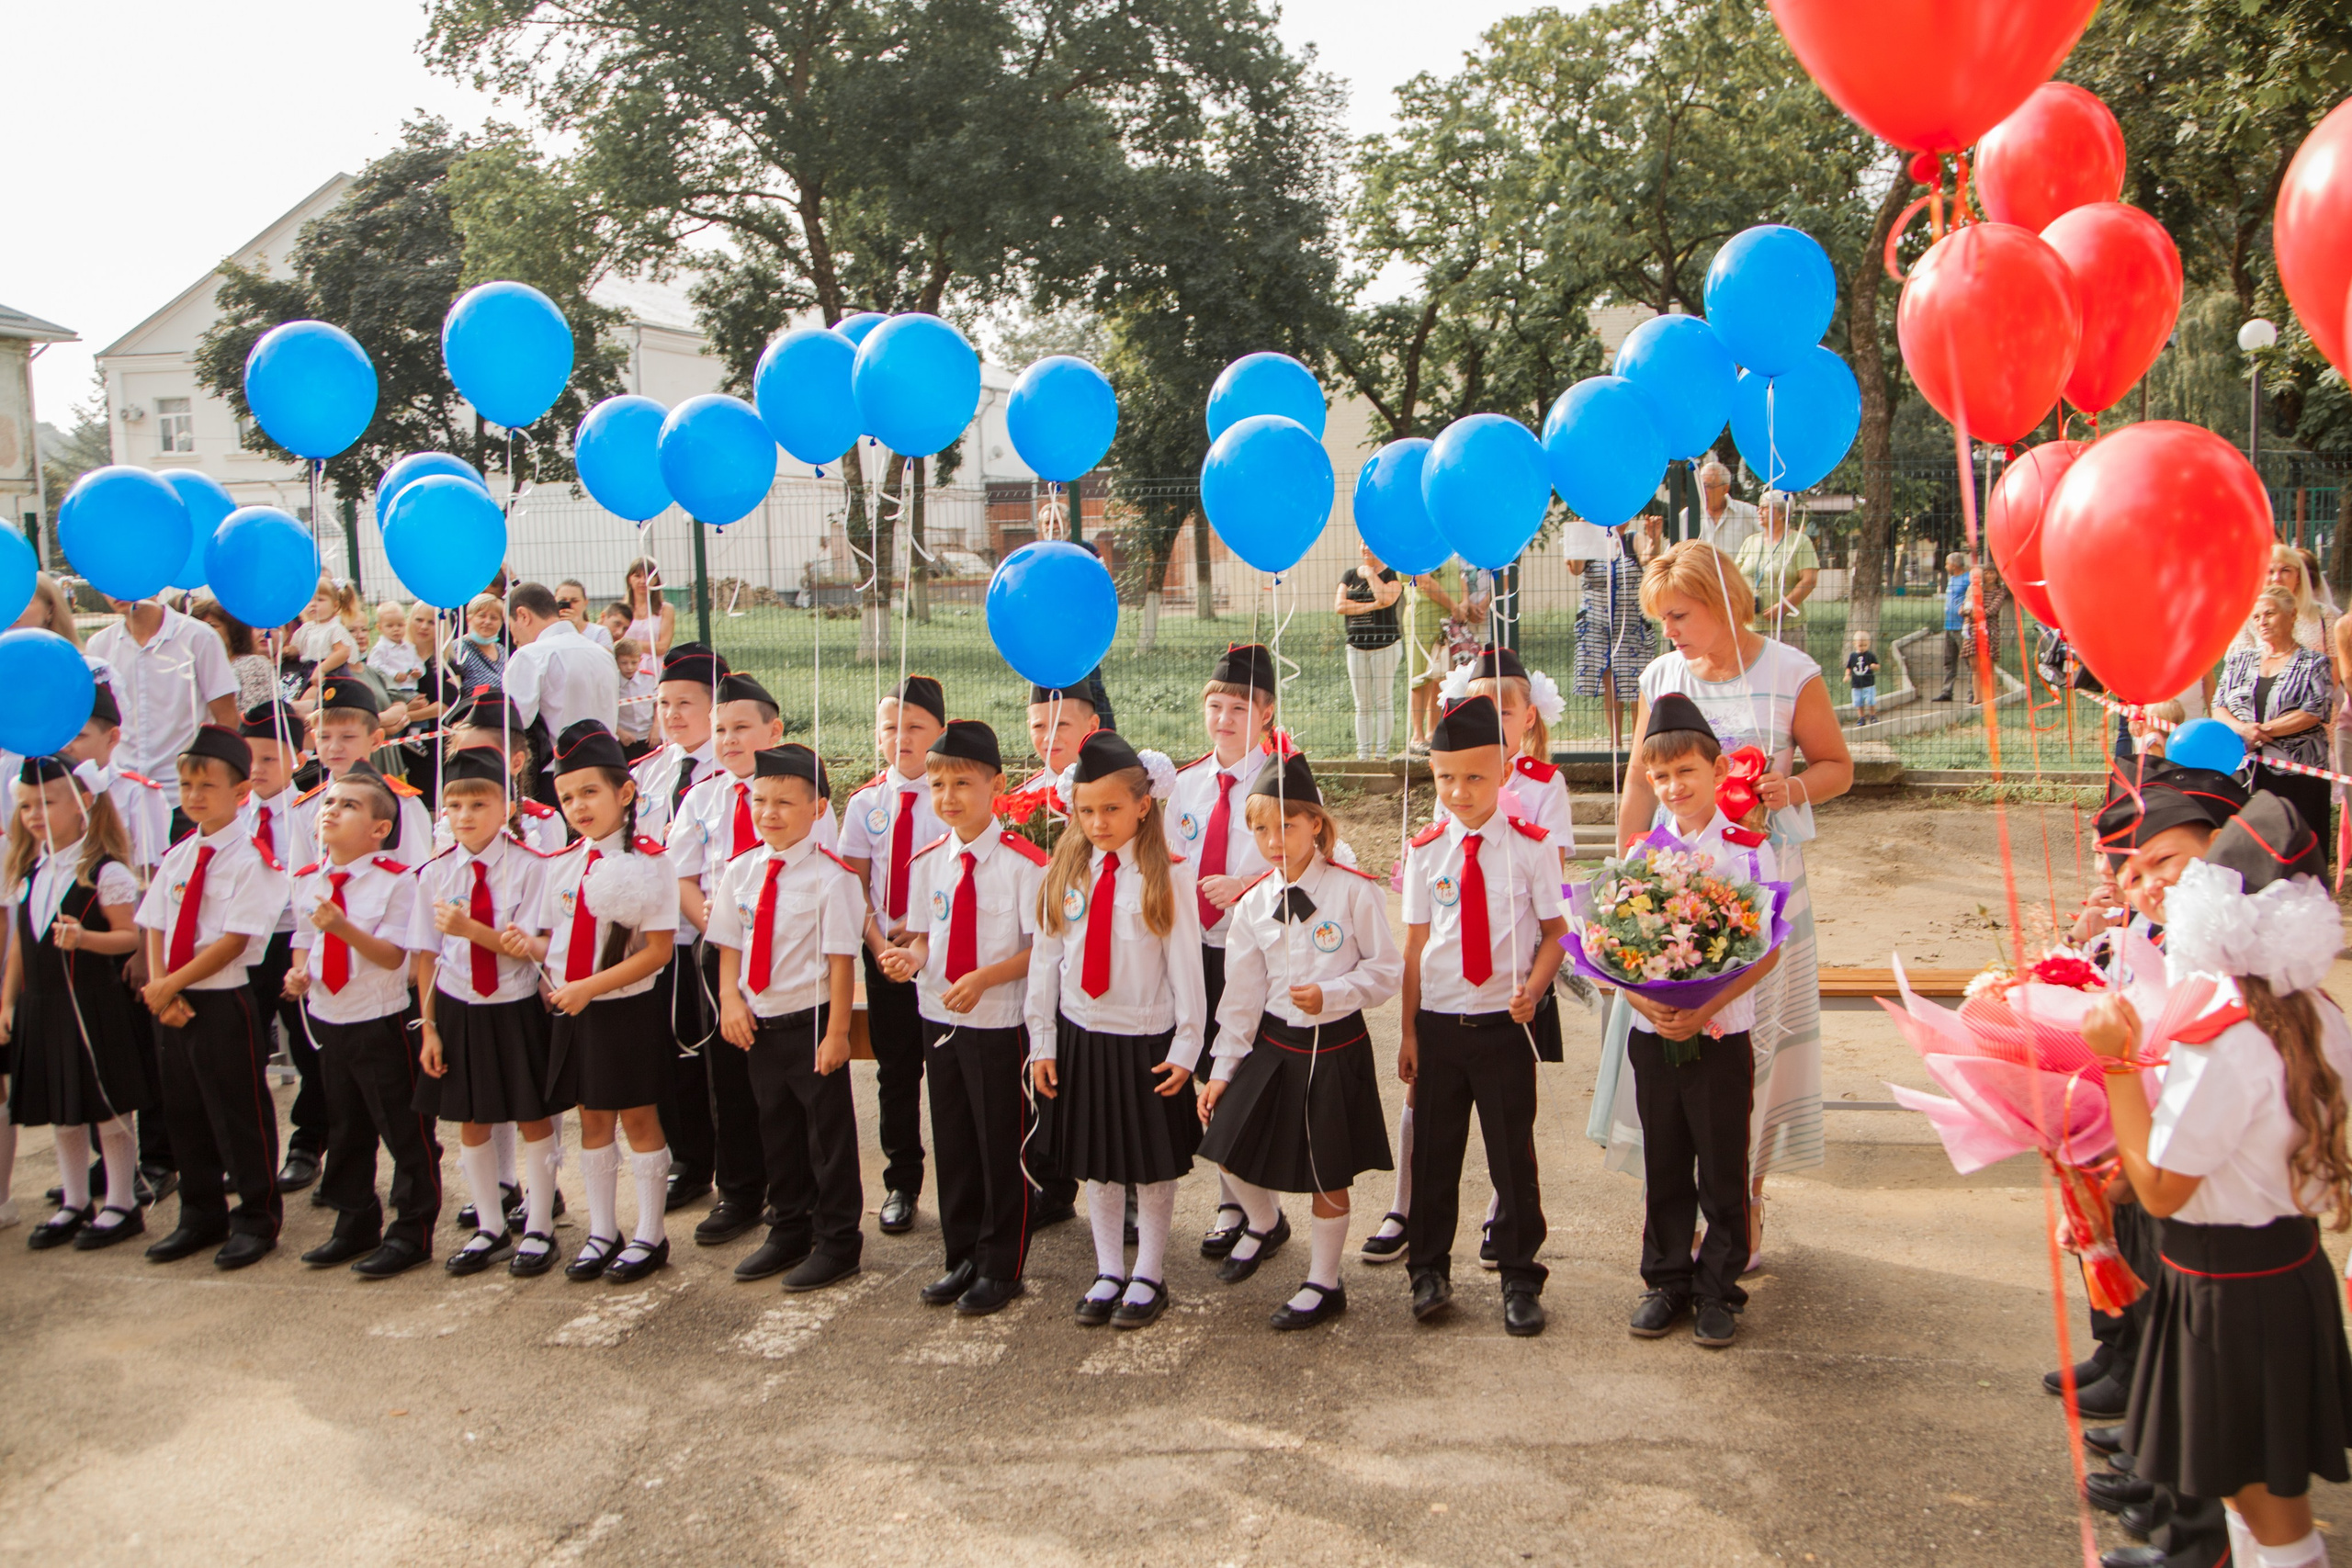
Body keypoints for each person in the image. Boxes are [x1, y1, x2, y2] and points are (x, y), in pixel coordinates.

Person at [2083, 795, 2352, 1568]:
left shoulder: (2228, 1038)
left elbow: (2163, 1189)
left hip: (2228, 1288)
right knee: (2251, 1483)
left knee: (2268, 1504)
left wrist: (2116, 1067)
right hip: (2285, 1269)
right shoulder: (2318, 1014)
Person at [1595, 542, 1854, 1269]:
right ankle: (1673, 1212)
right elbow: (1642, 789)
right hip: (1669, 896)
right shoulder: (1662, 675)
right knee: (1674, 1049)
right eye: (1660, 618)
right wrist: (1626, 883)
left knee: (1750, 1046)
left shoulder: (1789, 672)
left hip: (1759, 893)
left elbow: (1838, 766)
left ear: (1718, 597)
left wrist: (1791, 788)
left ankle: (1746, 1199)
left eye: (1677, 614)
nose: (1668, 629)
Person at [1197, 752, 1399, 1330]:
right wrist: (1222, 1067)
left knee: (1326, 1167)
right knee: (1223, 1136)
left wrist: (1333, 994)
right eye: (1260, 828)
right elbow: (1240, 995)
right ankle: (1264, 1223)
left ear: (1315, 823)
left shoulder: (1354, 892)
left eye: (1286, 825)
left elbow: (1386, 972)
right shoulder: (1254, 902)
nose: (1273, 839)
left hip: (1335, 1048)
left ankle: (1324, 1281)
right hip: (1274, 1045)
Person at [1396, 694, 1568, 1338]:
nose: (1459, 791)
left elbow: (1556, 933)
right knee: (1435, 1157)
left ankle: (1521, 1277)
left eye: (1474, 776)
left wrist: (1534, 986)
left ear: (1504, 770)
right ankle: (1428, 1270)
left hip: (1503, 1026)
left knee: (1511, 1158)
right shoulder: (1426, 848)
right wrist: (1410, 1031)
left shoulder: (1529, 847)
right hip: (1440, 1027)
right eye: (1445, 777)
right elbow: (1415, 947)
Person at [1618, 694, 1784, 1349]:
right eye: (1659, 776)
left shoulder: (1747, 849)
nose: (1673, 787)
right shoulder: (1642, 853)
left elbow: (1765, 950)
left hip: (1721, 1034)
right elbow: (1616, 951)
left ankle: (1719, 1288)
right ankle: (1665, 1281)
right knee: (1663, 1161)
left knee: (1721, 1165)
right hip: (1654, 1034)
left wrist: (1706, 1006)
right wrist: (1647, 1003)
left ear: (1719, 771)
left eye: (1686, 771)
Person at [1028, 731, 1205, 1330]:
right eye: (1086, 810)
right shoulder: (1067, 868)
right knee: (1099, 1164)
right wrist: (1043, 1042)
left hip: (1147, 1042)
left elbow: (1188, 971)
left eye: (1111, 808)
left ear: (1142, 804)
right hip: (1082, 1037)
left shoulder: (1168, 875)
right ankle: (1108, 1269)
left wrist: (1187, 1046)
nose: (1098, 822)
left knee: (1150, 1166)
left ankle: (1149, 1272)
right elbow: (1045, 961)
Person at [877, 720, 1048, 1315]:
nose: (949, 796)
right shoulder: (928, 863)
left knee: (1002, 1145)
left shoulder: (1027, 864)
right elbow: (927, 937)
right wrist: (910, 957)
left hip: (1000, 1022)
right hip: (939, 1016)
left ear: (997, 785)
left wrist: (984, 977)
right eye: (938, 783)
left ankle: (1003, 1265)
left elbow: (1041, 951)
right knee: (952, 1141)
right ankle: (963, 1256)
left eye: (963, 782)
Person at [671, 671, 830, 1251]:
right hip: (722, 952)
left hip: (788, 959)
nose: (729, 739)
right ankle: (738, 1190)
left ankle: (800, 1199)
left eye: (742, 727)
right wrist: (717, 925)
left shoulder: (803, 796)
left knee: (789, 1085)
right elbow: (683, 876)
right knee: (729, 1080)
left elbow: (824, 873)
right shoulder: (702, 798)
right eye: (720, 729)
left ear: (773, 729)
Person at [709, 744, 868, 1293]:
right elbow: (730, 943)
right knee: (775, 1131)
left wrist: (839, 1033)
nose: (769, 812)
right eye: (760, 800)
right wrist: (730, 1002)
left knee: (828, 1139)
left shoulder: (832, 877)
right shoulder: (741, 871)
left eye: (784, 802)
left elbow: (842, 961)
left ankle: (839, 1240)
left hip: (811, 1025)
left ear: (819, 807)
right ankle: (788, 1229)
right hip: (759, 1024)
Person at [530, 719, 681, 1283]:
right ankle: (601, 1230)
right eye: (567, 796)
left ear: (625, 792)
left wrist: (588, 988)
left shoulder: (651, 861)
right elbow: (557, 940)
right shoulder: (563, 865)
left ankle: (650, 1233)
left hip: (624, 1009)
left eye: (590, 792)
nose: (577, 805)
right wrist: (535, 953)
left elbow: (658, 952)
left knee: (638, 1117)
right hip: (574, 1008)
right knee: (590, 1118)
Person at [135, 724, 288, 1269]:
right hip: (172, 1003)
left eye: (207, 785)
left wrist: (171, 984)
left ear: (241, 791)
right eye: (185, 785)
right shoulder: (180, 855)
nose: (194, 796)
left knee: (237, 1112)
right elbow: (153, 922)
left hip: (222, 1001)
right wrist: (160, 988)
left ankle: (255, 1219)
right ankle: (200, 1215)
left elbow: (235, 941)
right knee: (185, 1112)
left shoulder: (253, 859)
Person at [413, 746, 564, 1278]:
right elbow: (426, 958)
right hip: (459, 1008)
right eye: (454, 807)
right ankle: (489, 1226)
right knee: (471, 1121)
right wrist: (429, 1028)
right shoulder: (434, 874)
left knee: (531, 1116)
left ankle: (541, 1226)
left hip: (515, 1005)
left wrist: (471, 930)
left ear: (507, 806)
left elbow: (529, 944)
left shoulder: (530, 868)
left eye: (479, 804)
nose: (465, 816)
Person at [282, 767, 438, 1279]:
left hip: (381, 1017)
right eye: (329, 803)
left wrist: (342, 926)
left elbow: (393, 955)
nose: (331, 811)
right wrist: (299, 973)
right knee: (346, 1126)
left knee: (403, 1127)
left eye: (348, 805)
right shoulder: (308, 879)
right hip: (330, 1016)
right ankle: (354, 1222)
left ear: (379, 829)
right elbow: (304, 942)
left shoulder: (396, 881)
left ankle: (413, 1230)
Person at [5, 758, 151, 1251]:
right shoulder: (28, 870)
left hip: (92, 1003)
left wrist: (85, 938)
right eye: (25, 806)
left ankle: (122, 1202)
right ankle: (73, 1200)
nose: (33, 814)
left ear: (82, 803)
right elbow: (19, 949)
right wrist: (7, 1003)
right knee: (62, 1109)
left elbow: (129, 937)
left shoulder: (102, 870)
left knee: (107, 1107)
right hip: (42, 1005)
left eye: (46, 803)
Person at [1168, 644, 1277, 1260]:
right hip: (1195, 949)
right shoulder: (1186, 785)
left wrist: (1246, 886)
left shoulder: (1279, 783)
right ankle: (1229, 1200)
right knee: (1208, 1077)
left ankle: (1255, 1206)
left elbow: (1306, 864)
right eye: (1216, 705)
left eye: (1239, 707)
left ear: (1265, 713)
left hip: (1252, 955)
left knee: (1241, 1078)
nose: (1225, 719)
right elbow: (1167, 862)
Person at [840, 676, 951, 1237]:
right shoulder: (864, 804)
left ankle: (962, 1179)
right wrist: (879, 944)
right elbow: (854, 886)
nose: (900, 738)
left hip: (943, 958)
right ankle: (901, 1182)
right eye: (890, 727)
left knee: (952, 1073)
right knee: (896, 1072)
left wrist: (926, 945)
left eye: (914, 728)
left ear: (940, 732)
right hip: (884, 957)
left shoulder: (951, 796)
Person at [628, 641, 728, 1209]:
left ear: (715, 707)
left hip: (708, 937)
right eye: (663, 702)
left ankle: (729, 1162)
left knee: (711, 1054)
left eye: (685, 702)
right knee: (666, 1052)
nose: (671, 714)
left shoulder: (735, 770)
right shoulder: (647, 773)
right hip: (654, 938)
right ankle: (686, 1160)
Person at [236, 703, 329, 1197]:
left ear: (296, 757)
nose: (257, 770)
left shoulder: (314, 810)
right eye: (250, 758)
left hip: (296, 938)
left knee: (309, 1045)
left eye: (270, 759)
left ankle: (308, 1142)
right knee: (246, 1050)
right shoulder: (234, 814)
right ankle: (253, 1153)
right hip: (246, 942)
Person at [85, 595, 241, 823]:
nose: (116, 590)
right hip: (121, 794)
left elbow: (226, 717)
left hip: (183, 795)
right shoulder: (99, 645)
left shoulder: (198, 637)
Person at [2217, 586, 2335, 872]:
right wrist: (2241, 729)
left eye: (2270, 613)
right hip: (2247, 769)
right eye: (2256, 616)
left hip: (2297, 772)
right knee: (2252, 848)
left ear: (2291, 615)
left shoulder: (2314, 662)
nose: (2262, 621)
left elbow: (2315, 710)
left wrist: (2262, 730)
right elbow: (2219, 705)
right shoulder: (2239, 660)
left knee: (2298, 852)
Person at [506, 582, 620, 805]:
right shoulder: (601, 653)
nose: (513, 639)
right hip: (609, 772)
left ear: (523, 615)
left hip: (560, 780)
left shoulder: (529, 655)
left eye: (511, 627)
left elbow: (514, 722)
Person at [62, 680, 171, 876]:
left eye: (78, 736)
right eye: (62, 736)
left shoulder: (138, 793)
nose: (66, 747)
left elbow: (152, 872)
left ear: (112, 738)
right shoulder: (50, 788)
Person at [1571, 520, 1656, 752]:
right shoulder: (1589, 540)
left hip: (1631, 625)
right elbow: (1575, 568)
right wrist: (1581, 534)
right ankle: (1615, 743)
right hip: (1598, 625)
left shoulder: (1632, 539)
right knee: (1612, 683)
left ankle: (1639, 744)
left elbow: (1648, 558)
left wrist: (1655, 538)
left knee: (1635, 683)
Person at [1334, 547, 1404, 760]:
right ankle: (1363, 755)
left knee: (1383, 700)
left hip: (1385, 646)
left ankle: (1381, 755)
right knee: (1361, 704)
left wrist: (1371, 574)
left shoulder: (1393, 573)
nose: (1365, 548)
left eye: (1369, 543)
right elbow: (1339, 605)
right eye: (1362, 543)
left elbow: (1387, 598)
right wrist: (1372, 606)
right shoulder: (1349, 575)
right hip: (1355, 646)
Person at [1733, 492, 1818, 649]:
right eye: (1759, 507)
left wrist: (1784, 606)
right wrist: (1743, 598)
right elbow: (1734, 576)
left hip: (1787, 628)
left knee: (1788, 673)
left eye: (1765, 507)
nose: (1759, 511)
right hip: (1751, 626)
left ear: (1782, 513)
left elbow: (1809, 580)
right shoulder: (1750, 542)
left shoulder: (1800, 541)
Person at [1406, 559, 1464, 755]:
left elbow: (1460, 576)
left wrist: (1462, 604)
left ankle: (1432, 733)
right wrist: (1454, 606)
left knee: (1438, 675)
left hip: (1447, 618)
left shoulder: (1449, 549)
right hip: (1423, 617)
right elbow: (1425, 582)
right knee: (1420, 675)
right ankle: (1417, 735)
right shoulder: (1417, 548)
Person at [2229, 544, 2330, 657]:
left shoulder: (2323, 614)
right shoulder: (2247, 617)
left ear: (2298, 576)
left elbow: (2336, 668)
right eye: (2270, 571)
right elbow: (2239, 665)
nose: (2276, 578)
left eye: (2285, 570)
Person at [192, 599, 279, 713]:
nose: (202, 632)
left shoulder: (253, 665)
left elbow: (252, 716)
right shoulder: (192, 670)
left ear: (233, 630)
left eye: (211, 626)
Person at [289, 577, 361, 691]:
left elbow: (343, 652)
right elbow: (298, 648)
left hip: (330, 672)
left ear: (335, 606)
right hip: (309, 670)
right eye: (310, 600)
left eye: (320, 599)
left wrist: (321, 669)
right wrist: (287, 651)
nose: (313, 604)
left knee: (310, 699)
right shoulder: (307, 628)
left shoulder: (334, 628)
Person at [1681, 459, 1760, 556]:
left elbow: (1769, 540)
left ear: (1725, 489)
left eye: (1708, 486)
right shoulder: (1687, 515)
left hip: (1734, 570)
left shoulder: (1748, 512)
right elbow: (1674, 550)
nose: (1703, 490)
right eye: (1700, 485)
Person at [447, 593, 508, 696]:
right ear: (468, 619)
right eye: (482, 616)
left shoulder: (502, 650)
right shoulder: (457, 649)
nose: (487, 622)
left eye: (494, 618)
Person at [1934, 551, 1974, 705]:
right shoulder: (1952, 579)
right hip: (1949, 626)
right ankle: (1947, 691)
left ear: (1954, 565)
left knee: (1968, 660)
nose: (1945, 566)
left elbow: (1972, 597)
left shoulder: (1967, 578)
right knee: (1949, 660)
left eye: (1947, 563)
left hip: (1961, 626)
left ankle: (1972, 692)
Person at [622, 556, 676, 668]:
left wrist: (629, 645)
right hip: (626, 668)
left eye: (648, 576)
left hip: (654, 669)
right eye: (637, 576)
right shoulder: (621, 609)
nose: (643, 581)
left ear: (656, 580)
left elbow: (663, 647)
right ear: (629, 579)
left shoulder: (666, 610)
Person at [366, 601, 424, 702]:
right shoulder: (380, 648)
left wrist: (418, 671)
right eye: (390, 626)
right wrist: (394, 674)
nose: (396, 629)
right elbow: (374, 667)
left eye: (400, 625)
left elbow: (419, 662)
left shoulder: (410, 647)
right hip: (391, 690)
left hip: (411, 689)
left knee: (422, 705)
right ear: (380, 628)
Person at [613, 638, 656, 753]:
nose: (629, 667)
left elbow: (659, 704)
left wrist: (656, 729)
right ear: (616, 661)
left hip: (649, 737)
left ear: (640, 660)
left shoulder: (649, 679)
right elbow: (603, 711)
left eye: (634, 662)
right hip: (624, 739)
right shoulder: (611, 682)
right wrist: (619, 732)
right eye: (624, 663)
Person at [557, 581, 614, 649]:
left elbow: (606, 657)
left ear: (585, 603)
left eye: (575, 601)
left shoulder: (599, 632)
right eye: (563, 600)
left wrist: (576, 630)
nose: (570, 605)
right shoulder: (549, 631)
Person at [1844, 632, 1879, 723]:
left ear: (1869, 644)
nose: (1863, 647)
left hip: (1869, 683)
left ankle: (1873, 716)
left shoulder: (1870, 655)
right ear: (1854, 644)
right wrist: (1847, 675)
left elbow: (1878, 666)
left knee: (1871, 701)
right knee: (1858, 702)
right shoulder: (1853, 656)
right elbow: (1849, 667)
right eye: (1860, 645)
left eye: (1865, 645)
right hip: (1856, 684)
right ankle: (1861, 717)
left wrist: (1874, 666)